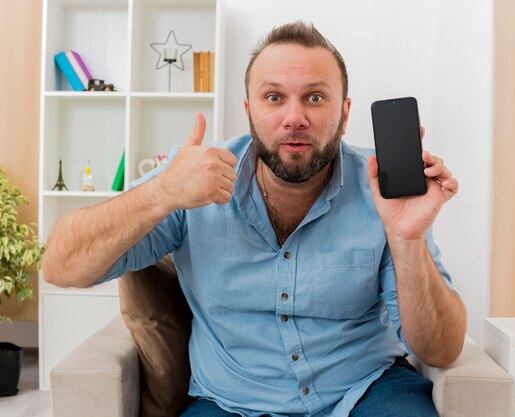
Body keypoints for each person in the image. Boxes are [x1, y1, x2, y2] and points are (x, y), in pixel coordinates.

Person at [43, 21, 466, 417]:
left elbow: (440, 351)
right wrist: (160, 192)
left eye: (315, 97)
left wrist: (408, 238)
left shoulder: (382, 190)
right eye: (274, 97)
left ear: (345, 112)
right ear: (249, 109)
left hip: (366, 390)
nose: (294, 117)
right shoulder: (190, 180)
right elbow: (60, 266)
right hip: (230, 401)